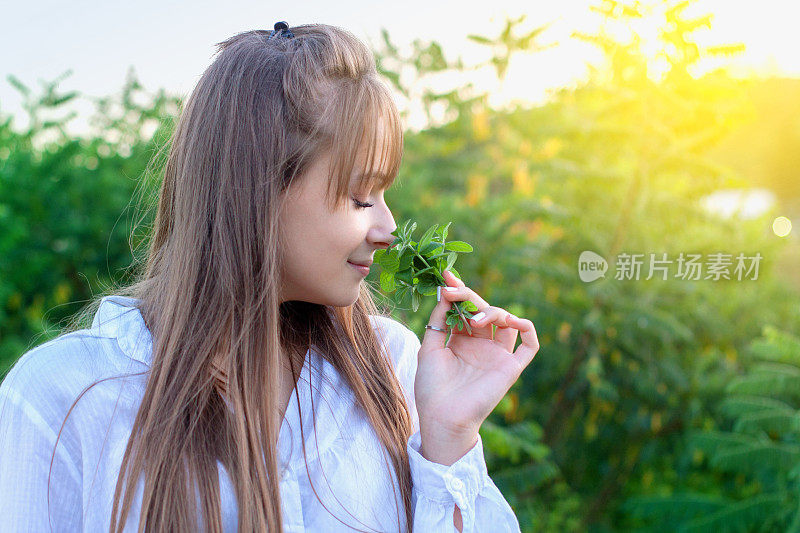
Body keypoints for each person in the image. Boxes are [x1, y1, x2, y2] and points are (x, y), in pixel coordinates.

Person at [0, 21, 539, 532]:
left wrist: (449, 434)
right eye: (359, 195)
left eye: (384, 194)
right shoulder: (67, 397)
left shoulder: (394, 371)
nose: (388, 228)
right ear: (256, 192)